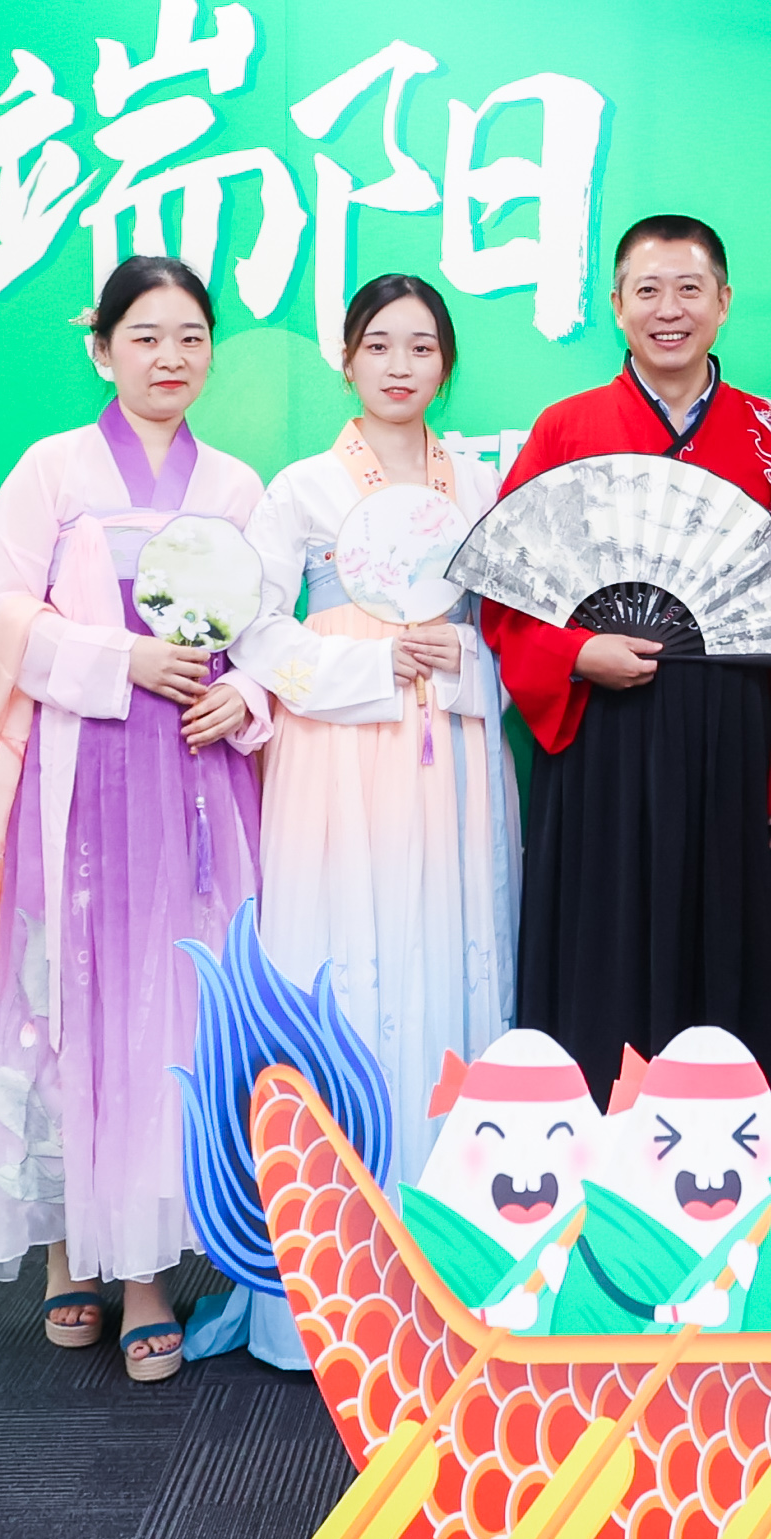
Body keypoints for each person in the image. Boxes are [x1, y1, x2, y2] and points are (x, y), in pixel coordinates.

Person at [0, 255, 277, 1380]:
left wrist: (244, 693)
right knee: (67, 1002)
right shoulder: (51, 470)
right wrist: (118, 656)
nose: (169, 357)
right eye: (145, 337)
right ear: (102, 351)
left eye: (190, 337)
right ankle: (65, 1250)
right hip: (77, 778)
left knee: (168, 1009)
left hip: (192, 779)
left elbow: (269, 632)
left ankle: (144, 1270)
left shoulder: (234, 486)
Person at [480, 215, 771, 1098]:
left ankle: (725, 1154)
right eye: (647, 291)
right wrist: (576, 654)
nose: (668, 309)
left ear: (723, 302)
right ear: (617, 305)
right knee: (597, 942)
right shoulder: (566, 429)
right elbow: (507, 596)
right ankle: (590, 1144)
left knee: (722, 949)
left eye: (689, 289)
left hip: (732, 735)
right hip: (598, 732)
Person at [237, 274, 518, 1188]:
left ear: (446, 364)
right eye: (379, 346)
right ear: (347, 360)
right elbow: (254, 628)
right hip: (338, 750)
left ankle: (453, 1205)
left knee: (452, 934)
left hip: (453, 745)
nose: (400, 365)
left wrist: (463, 658)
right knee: (344, 937)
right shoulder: (302, 488)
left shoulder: (479, 483)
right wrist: (365, 666)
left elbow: (517, 631)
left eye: (421, 347)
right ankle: (336, 1210)